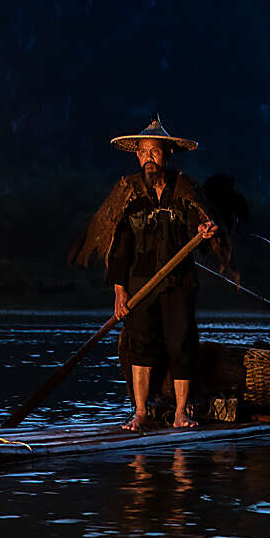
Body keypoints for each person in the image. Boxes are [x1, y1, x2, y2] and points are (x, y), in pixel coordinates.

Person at [69, 114, 232, 431]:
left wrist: (203, 230)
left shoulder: (183, 190)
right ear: (137, 156)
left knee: (181, 344)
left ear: (167, 154)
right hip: (139, 284)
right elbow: (119, 247)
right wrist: (119, 291)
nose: (148, 159)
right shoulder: (128, 195)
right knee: (140, 344)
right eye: (143, 153)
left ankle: (180, 413)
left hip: (179, 282)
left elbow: (196, 227)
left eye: (154, 152)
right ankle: (140, 412)